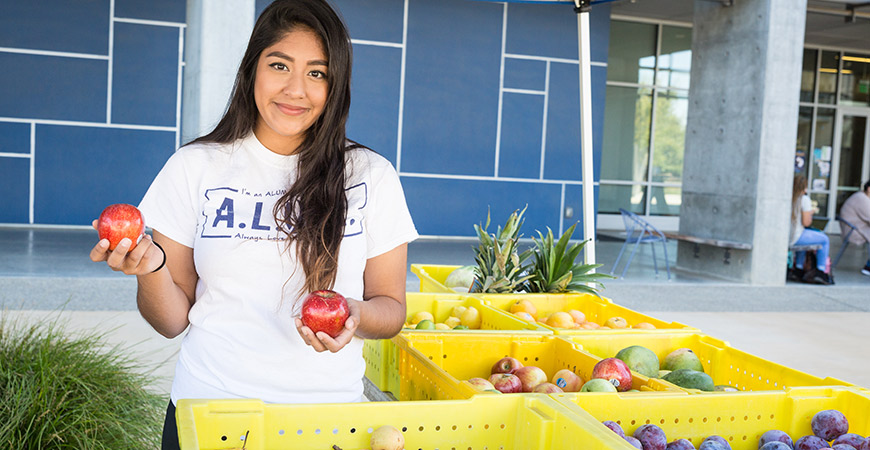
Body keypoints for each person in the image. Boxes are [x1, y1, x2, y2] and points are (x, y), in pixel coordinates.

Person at [88, 1, 418, 448]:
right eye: (279, 65)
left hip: (326, 423)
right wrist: (149, 270)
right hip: (209, 414)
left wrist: (357, 315)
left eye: (316, 73)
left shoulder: (369, 175)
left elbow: (391, 308)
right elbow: (170, 321)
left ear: (335, 86)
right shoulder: (196, 166)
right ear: (252, 69)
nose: (296, 89)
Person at [788, 175, 833, 285]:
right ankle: (820, 271)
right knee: (824, 239)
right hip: (795, 237)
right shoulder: (804, 199)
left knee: (806, 239)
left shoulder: (788, 197)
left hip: (787, 235)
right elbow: (806, 223)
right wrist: (810, 213)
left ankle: (798, 269)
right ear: (804, 187)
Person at [838, 180, 870, 276]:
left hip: (859, 228)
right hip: (854, 232)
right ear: (869, 189)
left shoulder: (863, 197)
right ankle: (868, 267)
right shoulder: (861, 199)